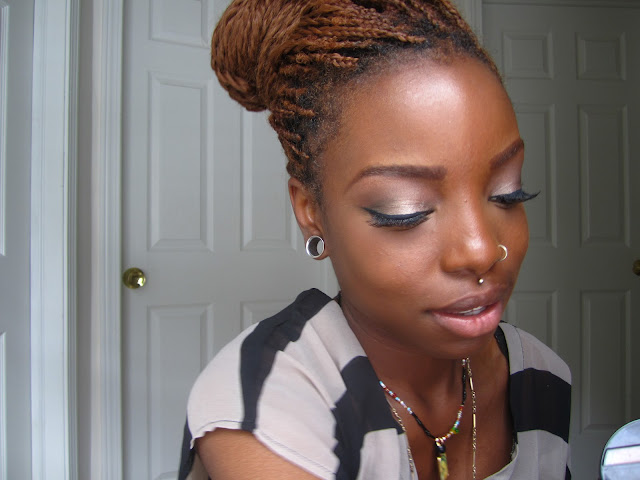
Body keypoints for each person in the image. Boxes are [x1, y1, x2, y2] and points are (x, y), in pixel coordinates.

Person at [177, 1, 572, 479]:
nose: (482, 250)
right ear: (311, 211)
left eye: (508, 193)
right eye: (406, 210)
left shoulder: (540, 376)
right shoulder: (259, 406)